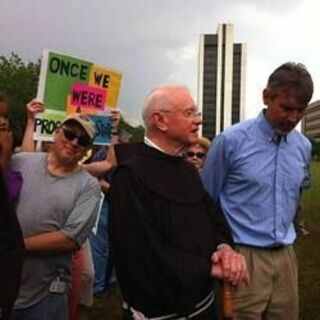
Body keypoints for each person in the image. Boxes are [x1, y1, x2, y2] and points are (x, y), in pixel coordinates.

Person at [109, 85, 249, 319]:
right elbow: (142, 255)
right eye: (189, 113)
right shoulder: (130, 177)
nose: (198, 121)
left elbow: (213, 219)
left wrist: (224, 249)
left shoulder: (187, 170)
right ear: (160, 121)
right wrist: (208, 268)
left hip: (204, 306)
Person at [202, 62, 314, 320]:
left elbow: (296, 196)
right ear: (266, 97)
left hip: (286, 255)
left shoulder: (302, 146)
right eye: (286, 108)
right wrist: (221, 250)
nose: (293, 118)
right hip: (242, 255)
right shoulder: (230, 141)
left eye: (300, 111)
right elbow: (207, 201)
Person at [10, 113, 101, 320]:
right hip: (7, 284)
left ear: (86, 150)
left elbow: (70, 238)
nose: (74, 142)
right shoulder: (20, 162)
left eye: (82, 140)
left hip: (46, 296)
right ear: (56, 132)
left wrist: (14, 246)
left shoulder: (89, 186)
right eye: (69, 134)